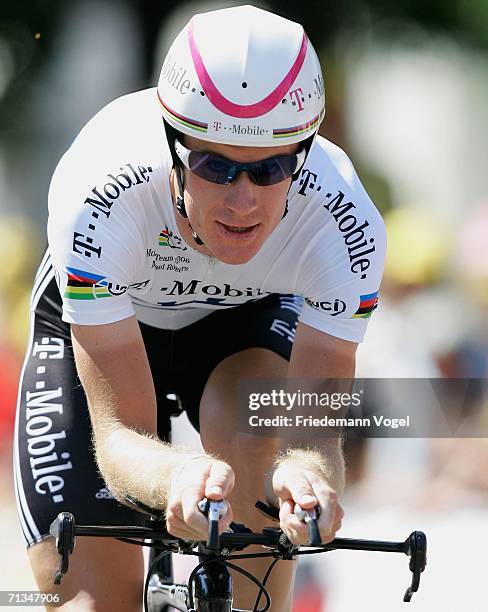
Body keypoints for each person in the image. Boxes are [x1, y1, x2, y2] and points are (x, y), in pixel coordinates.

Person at [13, 5, 386, 610]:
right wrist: (175, 479)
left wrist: (309, 477)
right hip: (106, 328)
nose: (244, 200)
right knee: (90, 604)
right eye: (215, 166)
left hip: (238, 327)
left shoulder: (343, 224)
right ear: (172, 146)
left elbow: (316, 427)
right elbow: (119, 435)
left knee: (258, 444)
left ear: (304, 153)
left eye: (271, 168)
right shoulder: (100, 194)